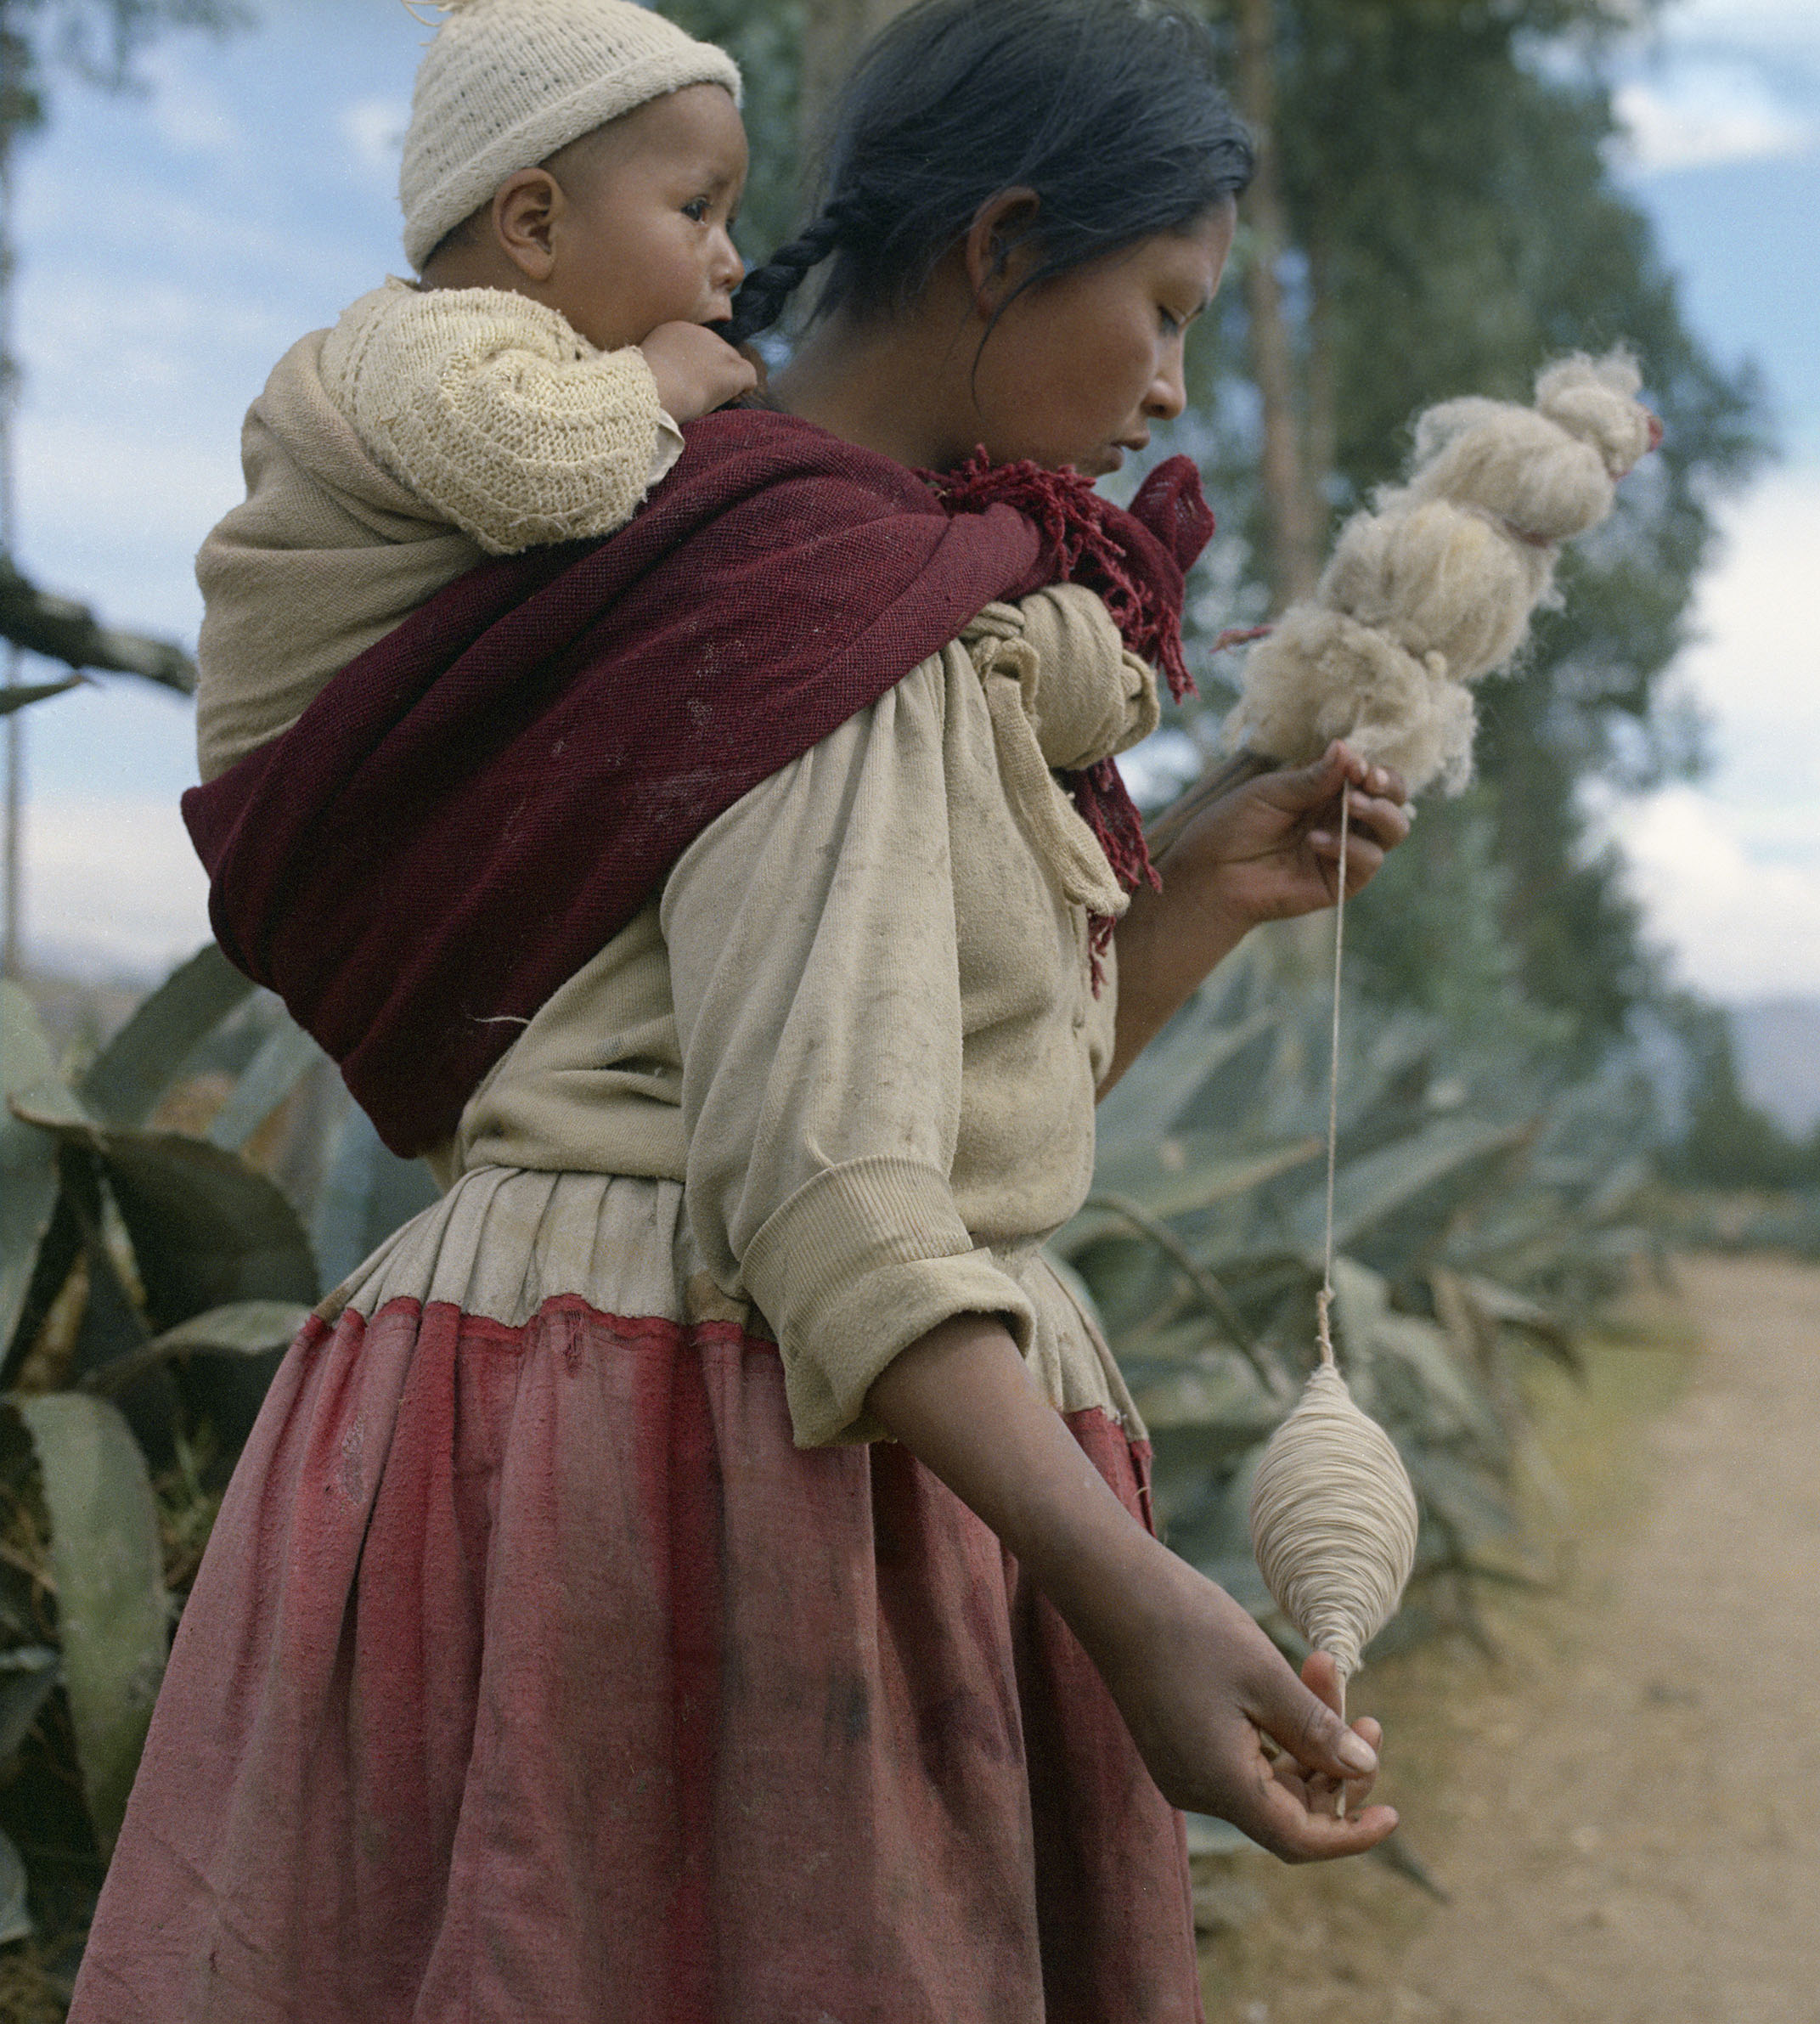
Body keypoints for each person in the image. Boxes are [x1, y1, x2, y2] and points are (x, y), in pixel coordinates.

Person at [73, 2, 1414, 2018]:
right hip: (701, 1442)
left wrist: (1202, 886)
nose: (1166, 386)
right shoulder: (826, 605)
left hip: (572, 1402)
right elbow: (836, 1199)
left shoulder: (823, 582)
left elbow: (913, 1116)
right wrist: (1137, 1599)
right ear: (1000, 245)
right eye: (1156, 307)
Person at [192, 0, 758, 785]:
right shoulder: (425, 336)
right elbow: (517, 462)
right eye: (699, 210)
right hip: (314, 770)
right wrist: (665, 381)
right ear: (534, 225)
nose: (732, 261)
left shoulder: (540, 354)